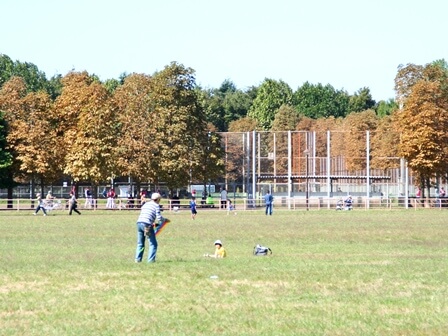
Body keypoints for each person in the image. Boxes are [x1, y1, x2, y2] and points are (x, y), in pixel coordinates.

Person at [134, 192, 166, 263]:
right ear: (157, 199)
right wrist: (164, 220)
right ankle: (150, 260)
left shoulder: (146, 204)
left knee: (140, 243)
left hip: (139, 223)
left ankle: (137, 259)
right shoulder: (156, 206)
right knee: (153, 243)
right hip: (147, 225)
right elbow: (159, 218)